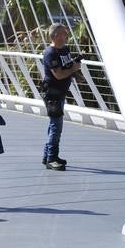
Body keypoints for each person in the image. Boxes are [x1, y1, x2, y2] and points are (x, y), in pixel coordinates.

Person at [41, 23, 82, 171]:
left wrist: (74, 68)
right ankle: (51, 159)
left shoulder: (65, 50)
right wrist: (74, 68)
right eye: (64, 34)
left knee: (54, 124)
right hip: (52, 92)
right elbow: (58, 75)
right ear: (56, 36)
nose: (67, 36)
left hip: (61, 92)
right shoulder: (50, 53)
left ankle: (48, 156)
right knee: (56, 126)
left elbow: (67, 67)